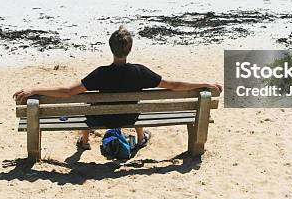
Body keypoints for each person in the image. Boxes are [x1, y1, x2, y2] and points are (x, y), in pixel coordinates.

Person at [13, 26, 222, 151]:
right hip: (130, 119)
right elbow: (175, 85)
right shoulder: (141, 72)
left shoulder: (99, 74)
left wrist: (34, 89)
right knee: (136, 101)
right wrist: (205, 84)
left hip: (99, 119)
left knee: (87, 102)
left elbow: (67, 92)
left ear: (111, 48)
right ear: (129, 49)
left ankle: (84, 142)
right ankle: (140, 139)